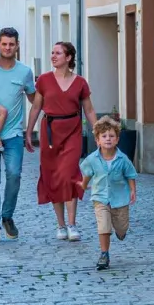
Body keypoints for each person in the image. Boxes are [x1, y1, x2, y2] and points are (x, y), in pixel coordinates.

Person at [25, 41, 94, 241]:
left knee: (69, 174)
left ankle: (72, 224)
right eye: (52, 53)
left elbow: (88, 110)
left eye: (58, 53)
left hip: (72, 130)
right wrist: (29, 132)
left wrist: (98, 132)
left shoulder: (80, 82)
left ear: (68, 57)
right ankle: (61, 225)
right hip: (50, 132)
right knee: (53, 177)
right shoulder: (44, 80)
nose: (53, 56)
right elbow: (36, 108)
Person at [0, 28, 35, 245]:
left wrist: (31, 129)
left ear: (17, 45)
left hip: (12, 135)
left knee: (14, 174)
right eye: (4, 44)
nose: (8, 48)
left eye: (11, 44)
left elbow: (34, 99)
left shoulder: (25, 72)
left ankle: (7, 216)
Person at [79, 115, 138, 270]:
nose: (108, 139)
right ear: (97, 140)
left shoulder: (123, 159)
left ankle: (121, 231)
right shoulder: (92, 159)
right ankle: (104, 254)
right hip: (100, 197)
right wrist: (84, 185)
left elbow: (130, 175)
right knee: (103, 226)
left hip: (120, 198)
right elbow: (87, 174)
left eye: (111, 136)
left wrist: (132, 190)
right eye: (104, 136)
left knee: (121, 227)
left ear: (117, 139)